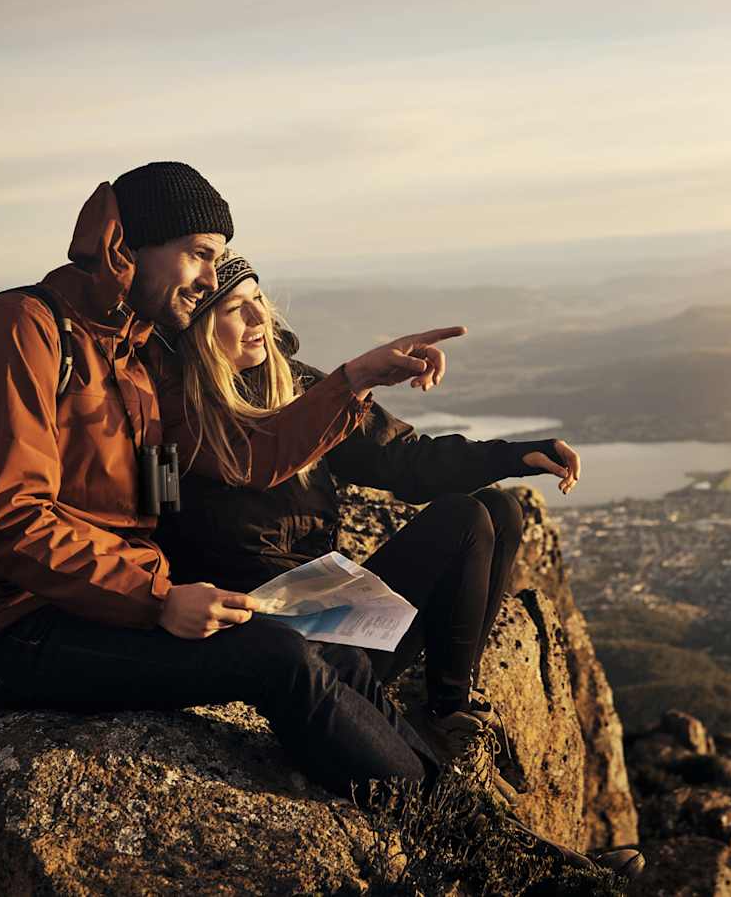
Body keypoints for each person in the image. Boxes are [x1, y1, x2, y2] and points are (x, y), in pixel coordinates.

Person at [0, 161, 469, 796]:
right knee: (277, 659)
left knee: (330, 650)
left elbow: (245, 456)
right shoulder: (23, 330)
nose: (211, 277)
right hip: (9, 625)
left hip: (97, 603)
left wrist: (355, 381)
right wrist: (155, 598)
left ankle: (439, 798)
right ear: (128, 248)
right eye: (199, 255)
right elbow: (8, 519)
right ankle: (432, 816)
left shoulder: (131, 350)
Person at [152, 248, 585, 764]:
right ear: (198, 332)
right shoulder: (182, 415)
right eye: (234, 309)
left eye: (259, 298)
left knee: (499, 508)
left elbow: (403, 460)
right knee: (465, 519)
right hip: (280, 643)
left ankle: (449, 707)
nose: (258, 318)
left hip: (333, 612)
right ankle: (444, 718)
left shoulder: (298, 385)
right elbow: (242, 466)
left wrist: (513, 456)